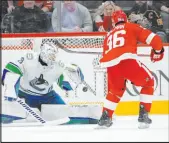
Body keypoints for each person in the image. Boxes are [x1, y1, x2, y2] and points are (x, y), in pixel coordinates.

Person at [96, 10, 164, 128]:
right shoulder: (131, 27)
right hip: (127, 60)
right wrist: (158, 51)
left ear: (113, 22)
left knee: (115, 92)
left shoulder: (108, 34)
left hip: (110, 65)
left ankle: (105, 118)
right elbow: (155, 39)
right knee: (149, 82)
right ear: (126, 19)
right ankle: (143, 116)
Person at [2, 42, 84, 118]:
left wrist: (75, 81)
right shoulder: (29, 58)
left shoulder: (58, 65)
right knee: (11, 118)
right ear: (44, 54)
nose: (54, 58)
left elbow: (65, 85)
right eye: (51, 56)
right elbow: (10, 69)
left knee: (66, 116)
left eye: (54, 56)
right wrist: (10, 88)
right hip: (24, 95)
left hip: (48, 97)